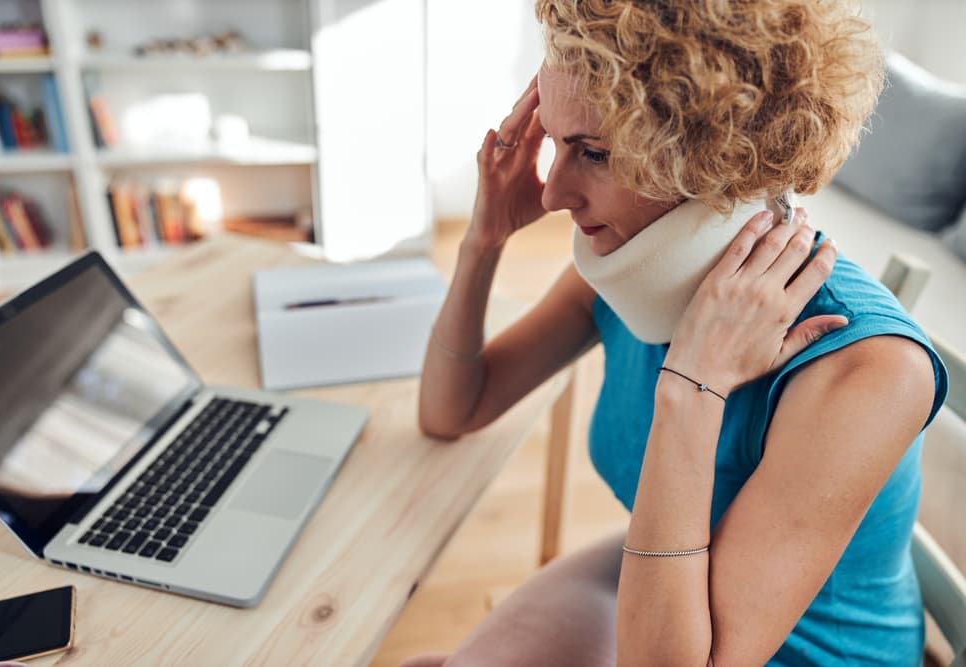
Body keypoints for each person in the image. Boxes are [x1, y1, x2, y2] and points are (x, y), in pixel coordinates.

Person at [407, 1, 949, 666]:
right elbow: (450, 409)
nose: (553, 196)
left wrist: (694, 383)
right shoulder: (635, 268)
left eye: (595, 153)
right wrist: (483, 239)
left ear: (710, 157)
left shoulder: (868, 369)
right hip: (664, 589)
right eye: (556, 142)